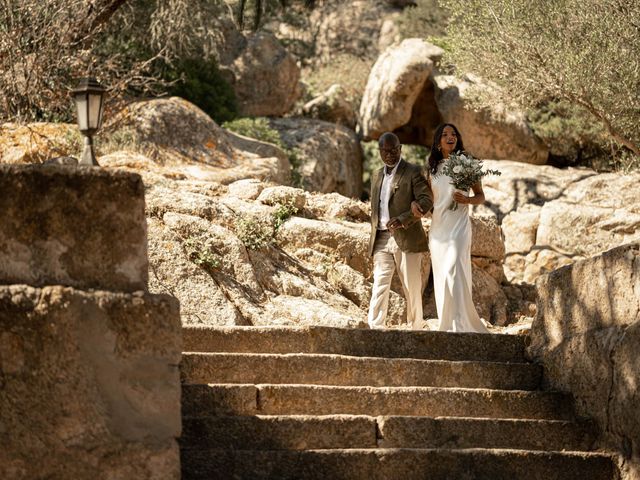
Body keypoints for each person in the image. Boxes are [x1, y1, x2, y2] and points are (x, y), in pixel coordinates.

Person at [412, 123, 489, 333]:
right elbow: (427, 200)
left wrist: (467, 200)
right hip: (439, 229)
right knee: (443, 274)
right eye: (445, 134)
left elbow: (481, 196)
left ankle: (460, 324)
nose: (450, 137)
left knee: (454, 267)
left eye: (453, 134)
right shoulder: (431, 169)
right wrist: (419, 208)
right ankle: (447, 322)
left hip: (459, 227)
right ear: (438, 141)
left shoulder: (467, 164)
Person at [367, 132, 433, 329]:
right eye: (385, 151)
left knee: (411, 285)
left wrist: (404, 219)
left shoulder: (413, 171)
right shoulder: (376, 175)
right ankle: (375, 327)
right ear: (379, 151)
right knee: (380, 282)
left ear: (400, 149)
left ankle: (416, 327)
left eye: (394, 150)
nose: (390, 154)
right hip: (381, 237)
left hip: (407, 235)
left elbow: (426, 200)